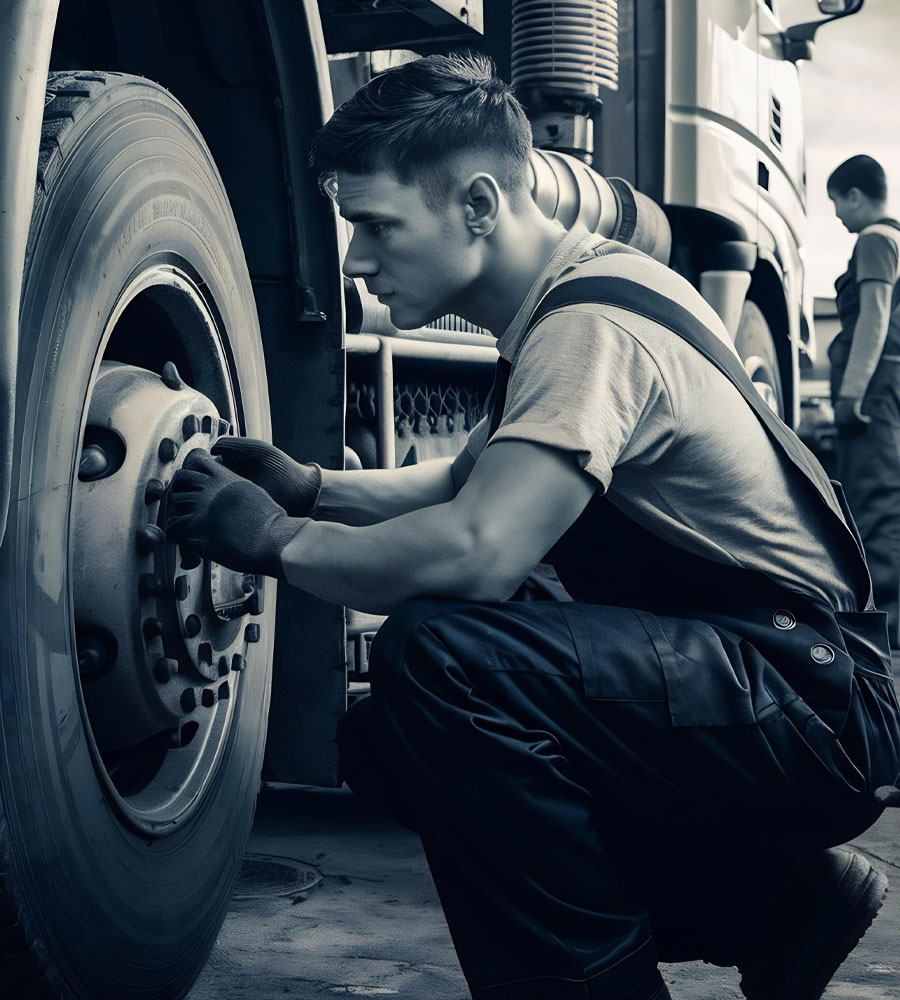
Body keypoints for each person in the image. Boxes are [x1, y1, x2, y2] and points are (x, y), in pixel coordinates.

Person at [166, 54, 900, 1000]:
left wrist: (272, 542)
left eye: (376, 225)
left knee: (445, 661)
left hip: (807, 707)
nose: (355, 259)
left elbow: (477, 550)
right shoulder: (579, 293)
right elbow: (467, 483)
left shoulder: (590, 331)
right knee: (389, 740)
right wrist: (310, 489)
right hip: (781, 685)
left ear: (477, 205)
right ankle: (769, 901)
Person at [827, 155, 900, 647]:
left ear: (855, 195)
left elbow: (873, 316)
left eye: (835, 202)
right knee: (885, 491)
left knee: (874, 497)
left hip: (873, 385)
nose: (835, 215)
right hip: (889, 381)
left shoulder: (875, 238)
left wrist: (852, 392)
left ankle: (885, 625)